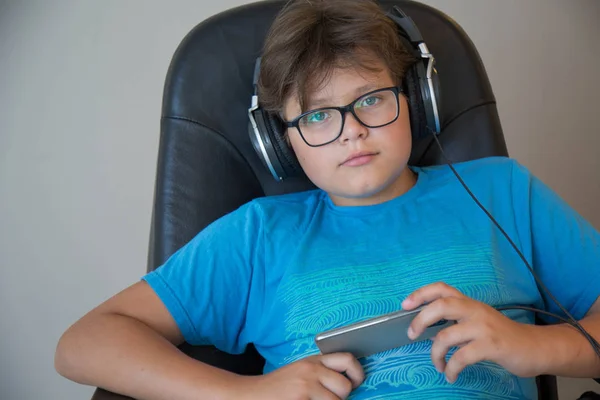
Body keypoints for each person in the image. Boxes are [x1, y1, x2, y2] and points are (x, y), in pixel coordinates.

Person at [54, 1, 600, 399]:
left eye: (371, 99)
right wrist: (244, 395)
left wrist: (536, 348)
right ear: (280, 141)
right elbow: (83, 344)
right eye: (317, 115)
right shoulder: (259, 236)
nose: (351, 132)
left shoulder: (501, 192)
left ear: (414, 100)